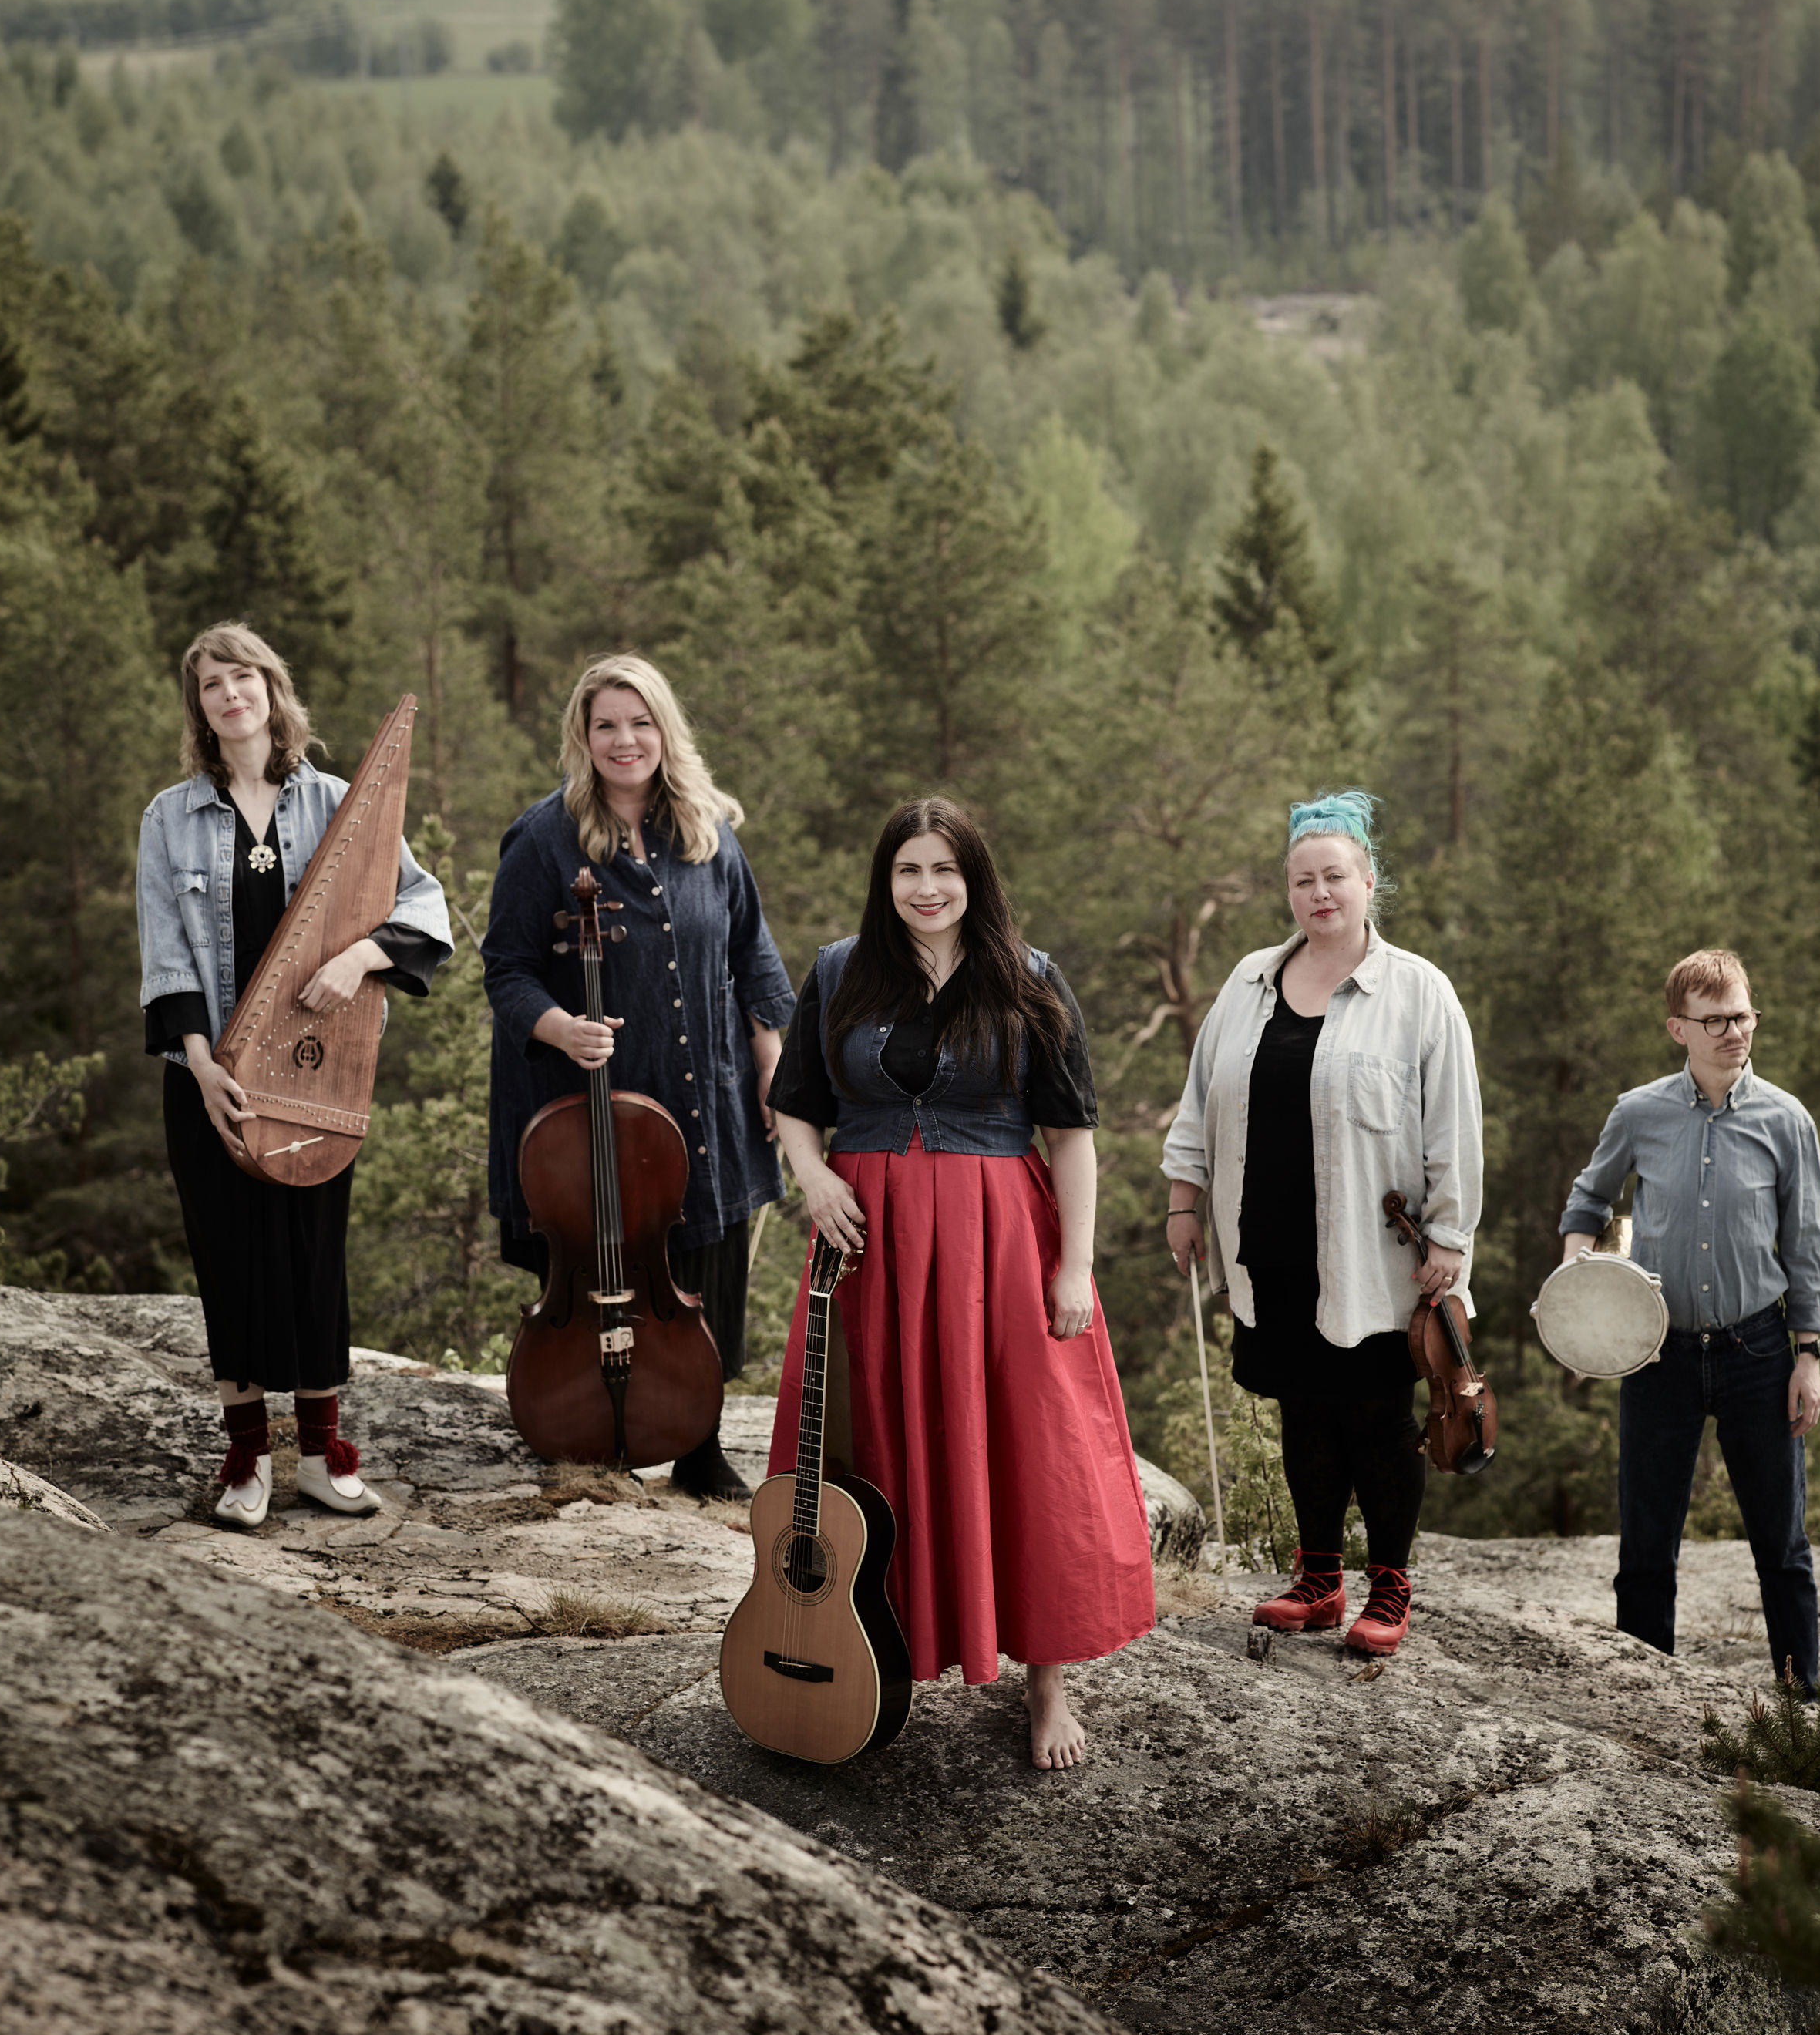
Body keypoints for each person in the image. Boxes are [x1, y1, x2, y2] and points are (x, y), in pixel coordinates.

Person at [769, 796, 1154, 1771]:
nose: (927, 889)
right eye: (909, 871)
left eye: (946, 870)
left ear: (974, 879)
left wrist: (1075, 1264)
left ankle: (1046, 1684)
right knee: (877, 1442)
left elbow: (1071, 1136)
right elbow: (797, 1110)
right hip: (868, 1246)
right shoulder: (837, 971)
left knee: (1028, 1449)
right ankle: (868, 1651)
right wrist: (813, 1177)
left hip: (1001, 1243)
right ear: (885, 881)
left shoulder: (1029, 981)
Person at [136, 624, 453, 1531]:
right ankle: (247, 1464)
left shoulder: (336, 804)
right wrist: (202, 1068)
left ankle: (322, 1458)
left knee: (315, 1257)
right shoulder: (168, 817)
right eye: (211, 686)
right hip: (211, 1078)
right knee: (229, 1260)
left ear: (274, 692)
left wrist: (360, 957)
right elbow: (167, 959)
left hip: (320, 1076)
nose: (230, 696)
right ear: (198, 710)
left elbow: (424, 903)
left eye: (244, 678)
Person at [1163, 790, 1482, 1657]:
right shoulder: (1249, 980)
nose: (1320, 894)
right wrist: (1183, 1200)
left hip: (1378, 1256)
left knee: (1377, 1419)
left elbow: (1453, 1123)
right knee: (1304, 1414)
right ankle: (1317, 1581)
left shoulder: (1418, 991)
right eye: (1303, 880)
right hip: (1268, 1243)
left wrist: (1452, 1236)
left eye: (1335, 876)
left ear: (1369, 879)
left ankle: (1391, 1588)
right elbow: (1201, 1102)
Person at [483, 654, 795, 1502]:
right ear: (583, 739)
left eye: (640, 722)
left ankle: (699, 1443)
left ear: (666, 730)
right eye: (607, 725)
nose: (626, 740)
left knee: (705, 1258)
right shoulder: (544, 837)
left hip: (705, 1083)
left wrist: (771, 1060)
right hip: (589, 1100)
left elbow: (751, 953)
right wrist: (560, 1027)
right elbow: (506, 969)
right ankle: (585, 1418)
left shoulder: (707, 832)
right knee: (602, 1259)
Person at [1558, 946, 1820, 1688]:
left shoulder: (1786, 1120)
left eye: (1743, 1015)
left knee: (1781, 1545)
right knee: (1646, 1546)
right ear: (1678, 1028)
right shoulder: (1637, 1113)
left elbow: (1804, 1244)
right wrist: (1580, 1274)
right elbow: (1586, 1201)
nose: (1735, 1032)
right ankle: (1647, 1703)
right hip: (1656, 1356)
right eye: (1716, 1020)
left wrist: (1808, 1355)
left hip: (1759, 1351)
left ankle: (1800, 1709)